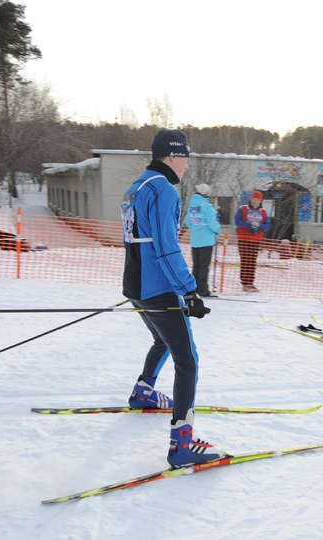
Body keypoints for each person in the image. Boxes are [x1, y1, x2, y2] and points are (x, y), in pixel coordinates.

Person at [120, 129, 222, 467]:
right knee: (187, 359)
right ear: (172, 156)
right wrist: (189, 289)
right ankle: (181, 444)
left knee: (162, 340)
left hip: (135, 285)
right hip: (157, 286)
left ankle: (143, 392)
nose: (187, 166)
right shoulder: (164, 190)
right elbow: (166, 247)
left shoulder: (137, 187)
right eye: (186, 158)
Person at [184, 183, 220, 297]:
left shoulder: (192, 206)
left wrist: (196, 228)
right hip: (207, 240)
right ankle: (203, 289)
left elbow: (188, 222)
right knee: (204, 265)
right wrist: (217, 230)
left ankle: (194, 287)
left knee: (196, 264)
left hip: (195, 239)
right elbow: (212, 223)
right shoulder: (207, 206)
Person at [234, 190, 270, 292]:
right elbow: (237, 221)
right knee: (245, 260)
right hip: (244, 239)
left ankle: (250, 282)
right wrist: (250, 224)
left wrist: (259, 226)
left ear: (260, 201)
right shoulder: (243, 209)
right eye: (254, 199)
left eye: (257, 200)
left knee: (252, 261)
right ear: (251, 199)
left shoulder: (263, 212)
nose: (255, 201)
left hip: (255, 239)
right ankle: (244, 282)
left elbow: (267, 226)